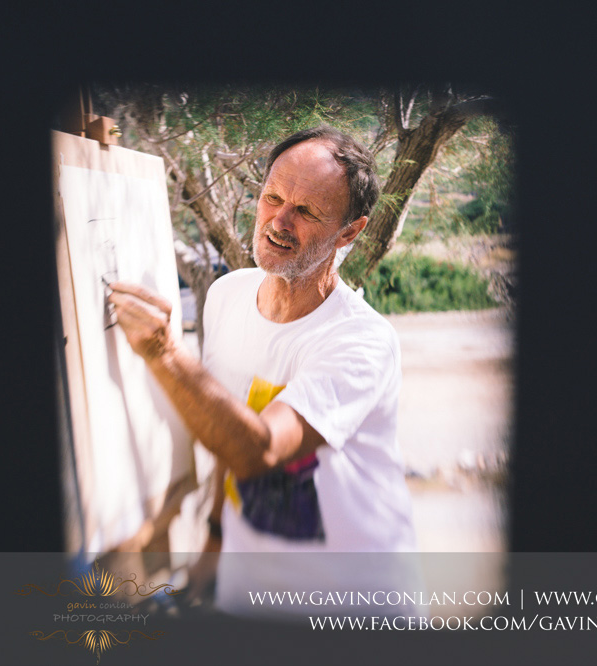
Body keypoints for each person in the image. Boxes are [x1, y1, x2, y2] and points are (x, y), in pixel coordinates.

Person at [108, 126, 420, 617]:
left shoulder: (361, 341)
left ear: (350, 232)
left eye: (306, 211)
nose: (279, 220)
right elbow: (224, 424)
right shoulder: (228, 295)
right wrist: (213, 543)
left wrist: (164, 353)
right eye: (272, 196)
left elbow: (260, 450)